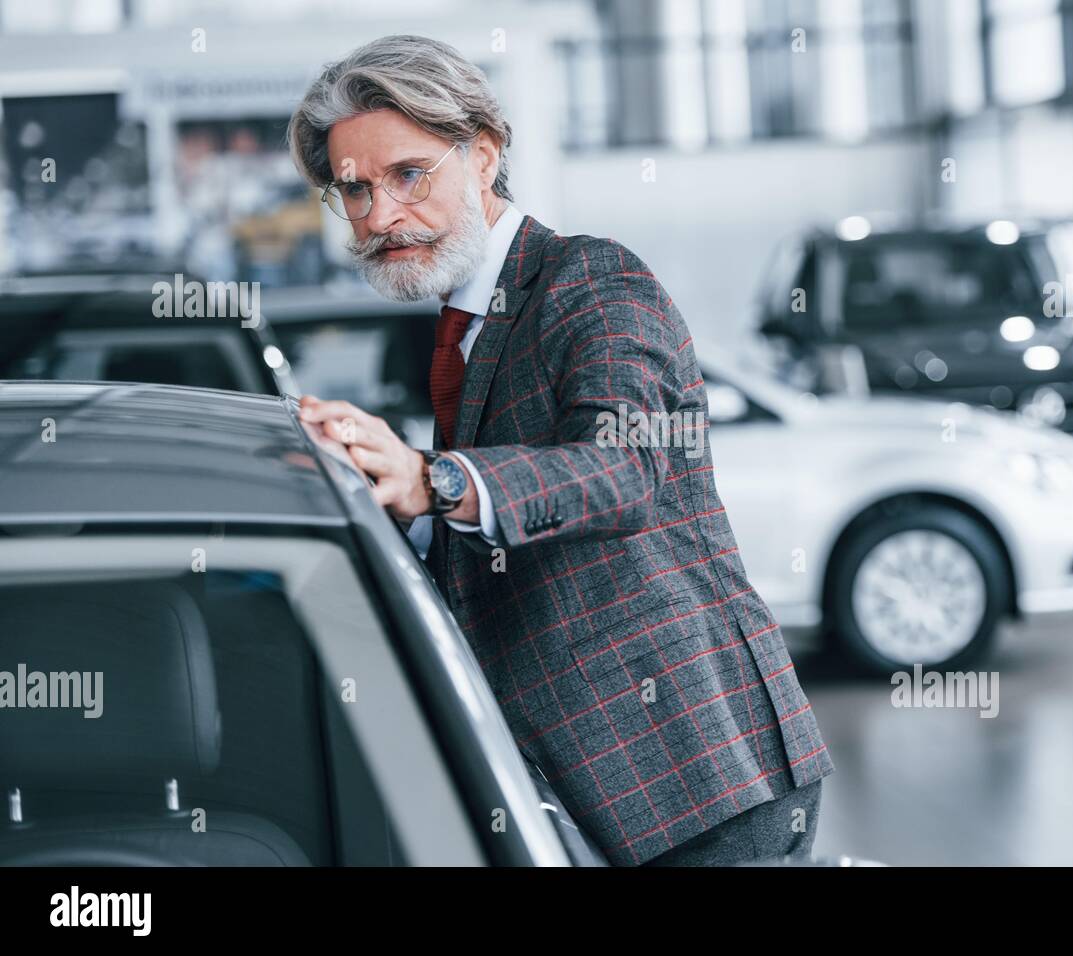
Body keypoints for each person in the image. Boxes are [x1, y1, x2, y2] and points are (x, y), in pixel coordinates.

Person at [288, 34, 833, 866]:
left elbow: (626, 470)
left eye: (406, 176)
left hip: (699, 781)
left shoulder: (593, 280)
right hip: (588, 790)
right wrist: (386, 498)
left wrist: (431, 481)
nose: (379, 217)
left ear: (483, 156)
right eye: (353, 191)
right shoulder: (462, 329)